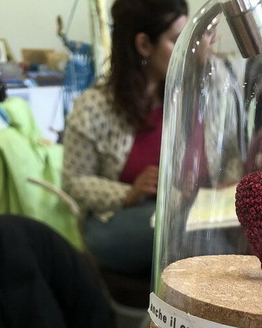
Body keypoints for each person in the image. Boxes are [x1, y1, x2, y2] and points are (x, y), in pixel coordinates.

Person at [62, 0, 189, 276]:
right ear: (144, 45)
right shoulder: (95, 107)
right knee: (186, 236)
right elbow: (74, 181)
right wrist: (129, 193)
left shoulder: (182, 101)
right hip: (120, 218)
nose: (187, 50)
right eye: (177, 41)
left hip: (178, 213)